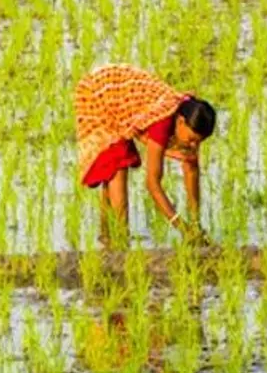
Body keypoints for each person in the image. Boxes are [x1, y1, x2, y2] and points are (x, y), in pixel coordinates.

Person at [74, 63, 216, 247]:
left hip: (122, 93)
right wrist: (182, 228)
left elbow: (191, 170)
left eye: (199, 141)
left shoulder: (191, 115)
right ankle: (120, 241)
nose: (194, 145)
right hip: (100, 92)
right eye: (192, 139)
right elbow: (152, 183)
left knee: (114, 165)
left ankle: (108, 239)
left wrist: (196, 224)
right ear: (180, 122)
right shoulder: (162, 123)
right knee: (116, 164)